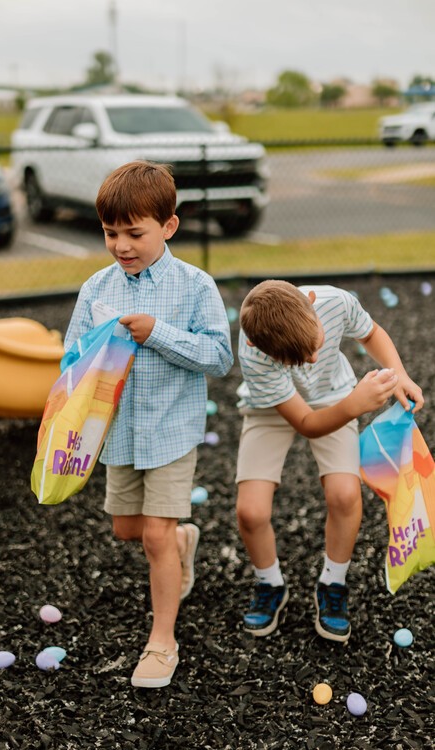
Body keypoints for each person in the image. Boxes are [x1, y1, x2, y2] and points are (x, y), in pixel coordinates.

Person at [64, 161, 233, 687]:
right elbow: (71, 358)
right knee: (127, 529)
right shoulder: (96, 289)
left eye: (134, 233)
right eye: (110, 233)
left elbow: (219, 357)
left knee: (154, 536)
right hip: (117, 434)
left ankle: (162, 642)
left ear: (169, 226)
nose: (121, 245)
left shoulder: (194, 286)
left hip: (171, 431)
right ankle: (182, 541)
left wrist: (157, 332)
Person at [235, 280, 423, 643]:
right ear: (258, 346)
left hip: (333, 395)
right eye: (296, 359)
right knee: (250, 511)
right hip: (272, 407)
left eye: (315, 346)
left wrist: (398, 373)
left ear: (310, 303)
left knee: (345, 495)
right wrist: (356, 405)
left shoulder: (336, 302)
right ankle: (269, 584)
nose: (312, 360)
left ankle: (333, 583)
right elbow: (307, 423)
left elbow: (371, 333)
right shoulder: (254, 351)